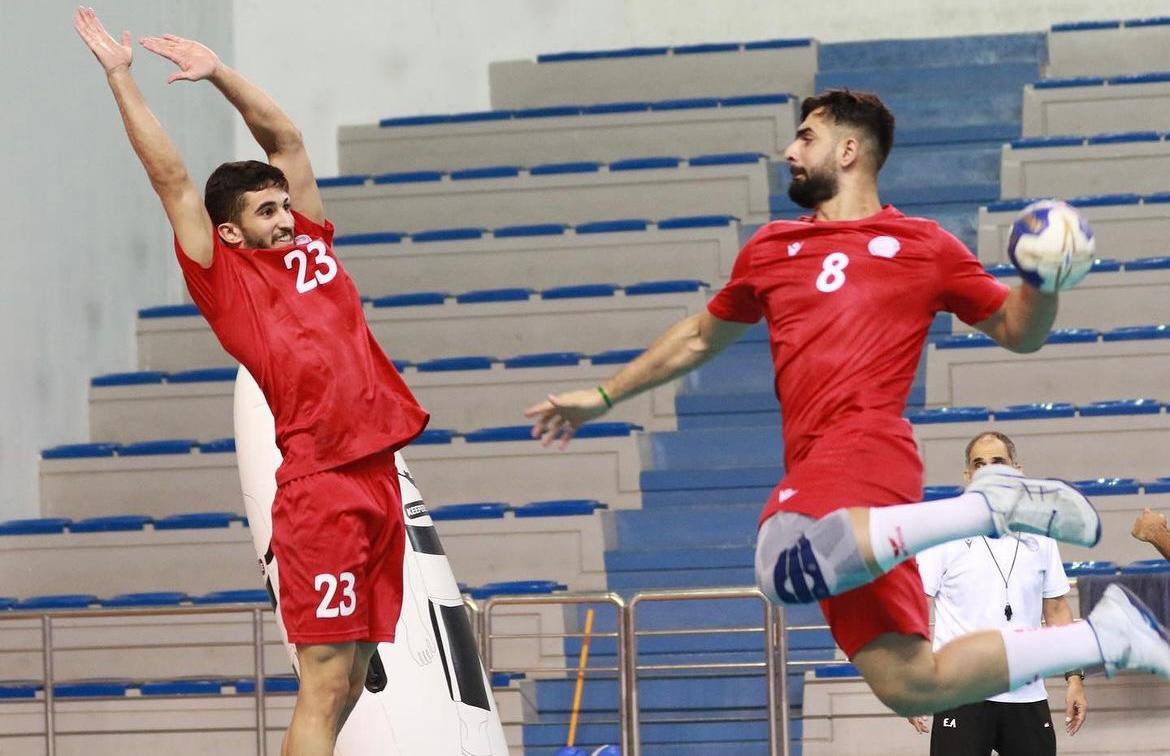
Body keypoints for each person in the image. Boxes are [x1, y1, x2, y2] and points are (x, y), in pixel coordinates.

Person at [525, 88, 1170, 718]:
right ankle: (1105, 637)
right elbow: (698, 336)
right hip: (827, 484)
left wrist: (1043, 284)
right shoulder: (770, 249)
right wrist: (603, 396)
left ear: (849, 150)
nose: (790, 151)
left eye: (806, 137)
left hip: (865, 448)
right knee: (914, 683)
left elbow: (1018, 331)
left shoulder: (924, 246)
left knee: (781, 566)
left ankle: (984, 509)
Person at [74, 9, 429, 755]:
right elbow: (171, 180)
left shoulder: (314, 243)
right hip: (322, 488)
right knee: (324, 684)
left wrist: (220, 75)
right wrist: (121, 78)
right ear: (230, 231)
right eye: (267, 210)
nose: (287, 216)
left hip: (378, 477)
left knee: (353, 678)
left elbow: (286, 141)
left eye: (285, 203)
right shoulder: (226, 282)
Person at [907, 431, 1087, 754]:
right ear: (968, 476)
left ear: (1017, 471)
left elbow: (1057, 609)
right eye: (979, 464)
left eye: (998, 462)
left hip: (1027, 694)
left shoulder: (1041, 533)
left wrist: (1074, 677)